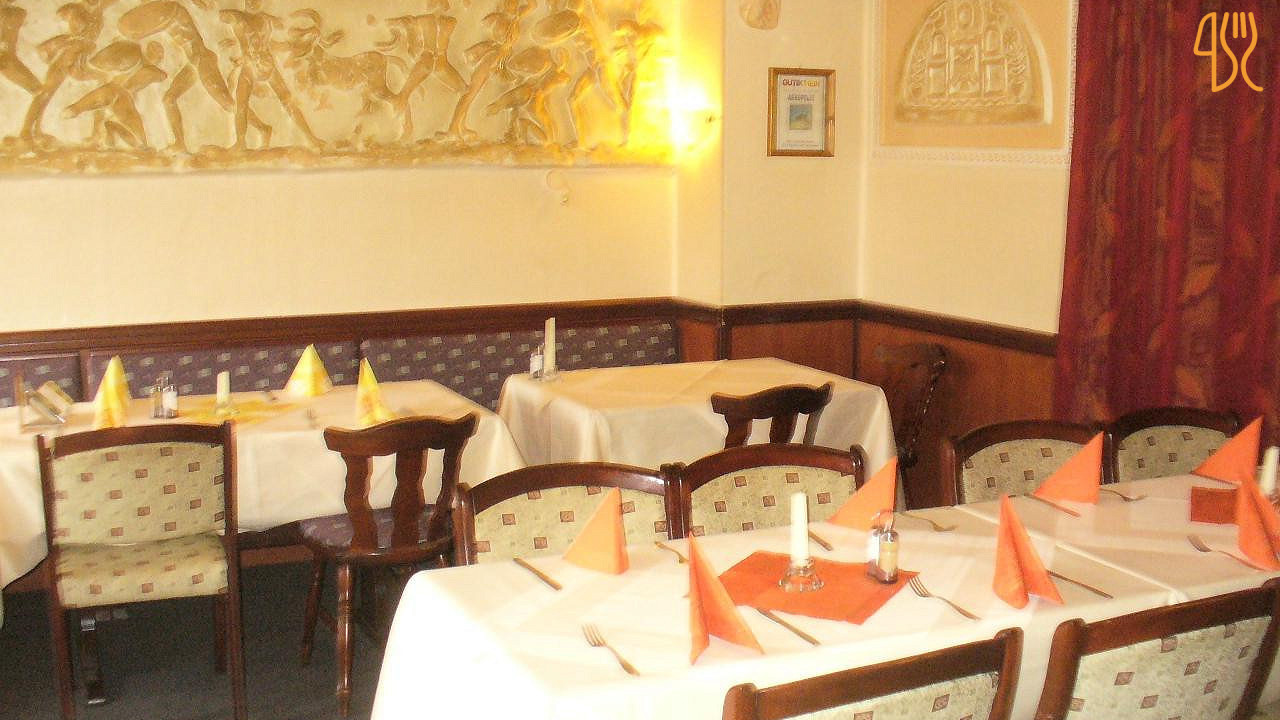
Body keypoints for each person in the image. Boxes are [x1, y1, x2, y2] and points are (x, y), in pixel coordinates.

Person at [118, 0, 235, 152]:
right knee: (169, 99)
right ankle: (180, 143)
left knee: (228, 104)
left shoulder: (172, 10)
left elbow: (143, 28)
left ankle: (252, 131)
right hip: (193, 64)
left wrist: (129, 29)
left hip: (203, 60)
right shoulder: (165, 11)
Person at [220, 0, 322, 150]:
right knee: (247, 103)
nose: (254, 3)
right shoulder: (254, 18)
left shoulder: (248, 19)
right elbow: (221, 15)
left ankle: (311, 139)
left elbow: (221, 15)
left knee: (249, 104)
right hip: (258, 65)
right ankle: (241, 142)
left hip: (259, 66)